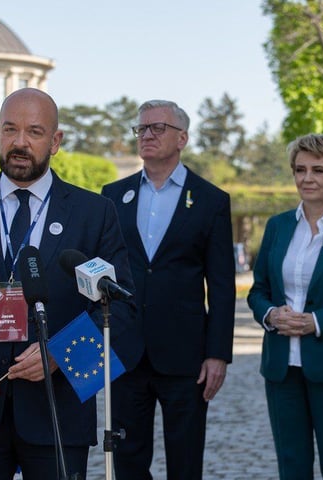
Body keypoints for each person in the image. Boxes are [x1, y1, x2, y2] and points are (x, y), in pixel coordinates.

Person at [0, 88, 136, 480]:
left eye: (34, 132)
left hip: (58, 413)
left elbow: (119, 309)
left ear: (56, 141)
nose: (20, 143)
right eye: (11, 130)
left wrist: (60, 354)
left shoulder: (94, 212)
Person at [101, 100, 235, 479]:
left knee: (185, 460)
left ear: (182, 138)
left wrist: (218, 354)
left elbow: (222, 285)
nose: (147, 134)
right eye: (141, 128)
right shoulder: (112, 195)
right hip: (126, 354)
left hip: (186, 356)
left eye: (158, 128)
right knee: (126, 459)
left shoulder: (211, 200)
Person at [247, 133, 323, 479]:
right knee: (292, 465)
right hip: (281, 367)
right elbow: (258, 290)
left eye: (318, 170)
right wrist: (270, 313)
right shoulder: (278, 226)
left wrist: (318, 321)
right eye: (300, 170)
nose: (307, 178)